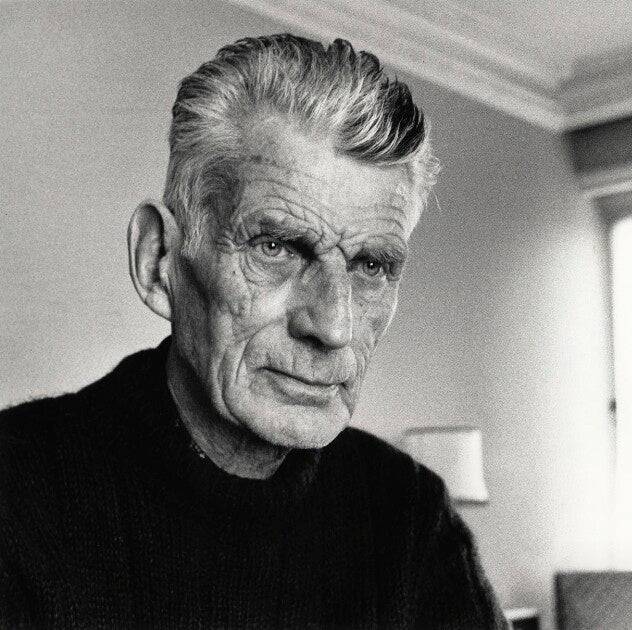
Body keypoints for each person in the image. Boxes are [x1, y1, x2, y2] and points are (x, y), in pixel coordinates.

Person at [0, 34, 504, 628]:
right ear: (158, 260)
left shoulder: (411, 515)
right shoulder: (16, 497)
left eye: (371, 266)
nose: (333, 326)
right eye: (276, 247)